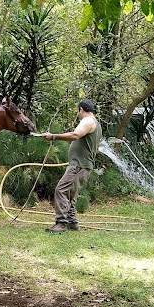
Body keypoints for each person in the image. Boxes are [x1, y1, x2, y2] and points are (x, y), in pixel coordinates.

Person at [41, 99, 102, 232]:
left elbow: (75, 135)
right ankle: (72, 223)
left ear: (81, 109)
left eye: (78, 111)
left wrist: (53, 136)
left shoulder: (87, 121)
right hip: (84, 165)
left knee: (61, 190)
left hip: (78, 165)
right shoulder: (97, 125)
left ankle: (61, 223)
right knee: (70, 194)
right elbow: (96, 149)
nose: (78, 114)